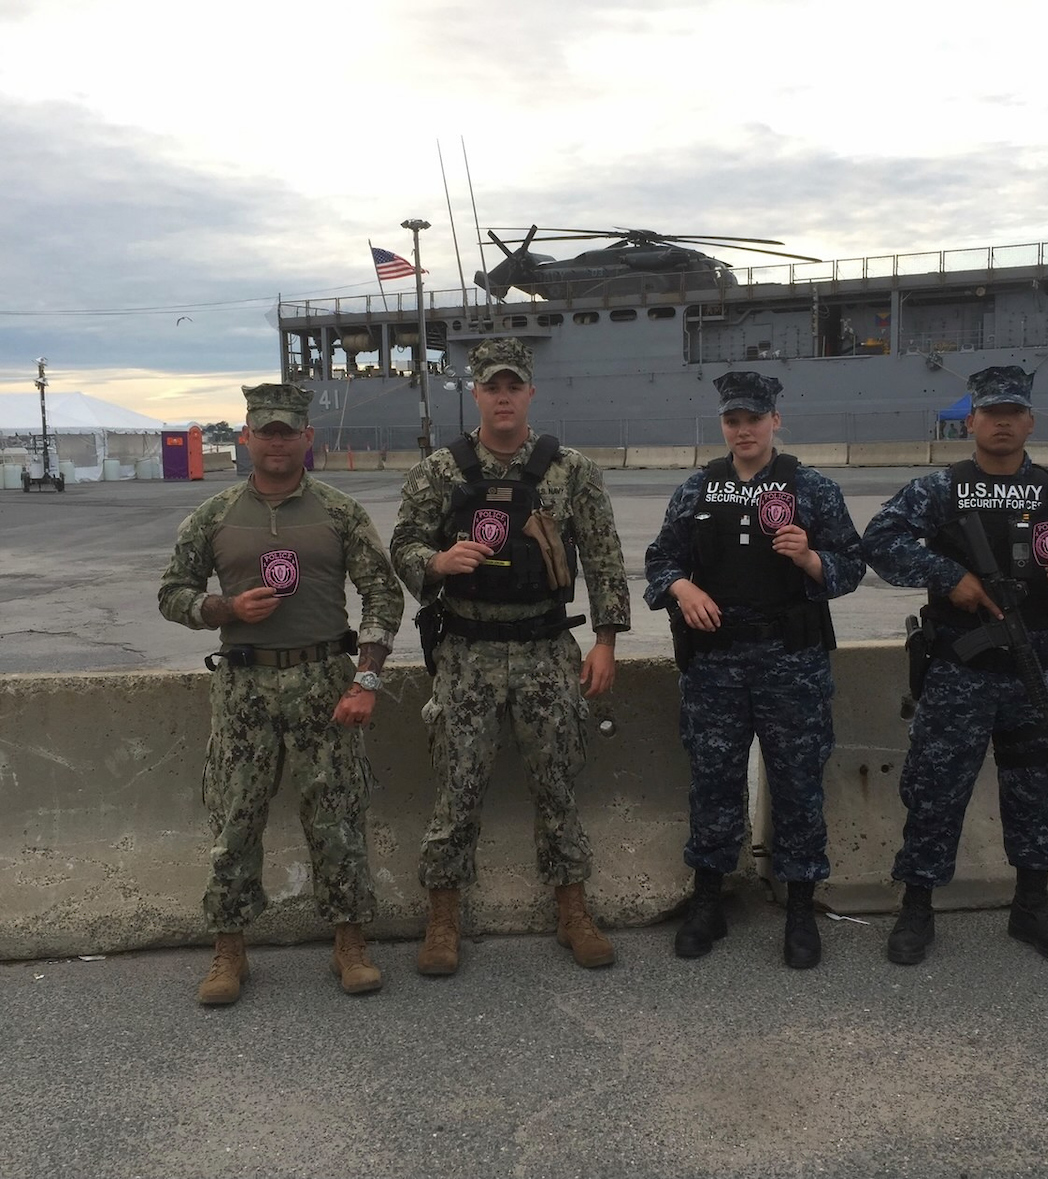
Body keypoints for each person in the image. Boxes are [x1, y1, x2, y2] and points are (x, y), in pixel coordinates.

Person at [390, 338, 631, 975]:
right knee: (457, 787)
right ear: (475, 392)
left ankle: (573, 909)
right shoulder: (441, 471)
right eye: (491, 386)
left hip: (546, 648)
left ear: (529, 393)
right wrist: (437, 563)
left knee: (557, 784)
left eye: (513, 386)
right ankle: (443, 918)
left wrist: (606, 642)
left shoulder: (570, 470)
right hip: (466, 650)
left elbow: (605, 558)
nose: (502, 396)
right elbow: (404, 544)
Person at [159, 382, 404, 1005]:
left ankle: (349, 943)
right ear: (246, 437)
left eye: (287, 430)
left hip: (324, 680)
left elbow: (382, 594)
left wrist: (366, 677)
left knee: (338, 818)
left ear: (306, 438)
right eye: (265, 430)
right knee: (235, 821)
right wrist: (222, 606)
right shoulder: (213, 515)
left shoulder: (339, 512)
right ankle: (229, 949)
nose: (276, 440)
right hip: (243, 684)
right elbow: (173, 593)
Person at [862, 366, 1048, 966]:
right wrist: (952, 579)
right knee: (935, 791)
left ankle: (1032, 907)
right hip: (959, 670)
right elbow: (879, 541)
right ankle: (917, 908)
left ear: (1029, 421)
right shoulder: (939, 491)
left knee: (1033, 792)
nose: (1003, 422)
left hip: (1037, 670)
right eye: (991, 412)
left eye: (1014, 413)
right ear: (970, 421)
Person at [644, 372, 865, 968]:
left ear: (775, 422)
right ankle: (708, 898)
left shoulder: (811, 488)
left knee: (797, 783)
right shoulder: (698, 489)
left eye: (754, 419)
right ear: (723, 425)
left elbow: (851, 565)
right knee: (713, 780)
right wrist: (682, 588)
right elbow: (660, 559)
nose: (743, 430)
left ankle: (799, 907)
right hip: (715, 661)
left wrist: (811, 557)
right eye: (732, 421)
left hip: (790, 661)